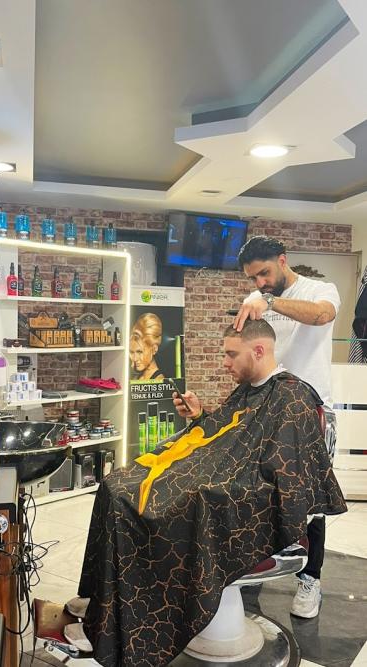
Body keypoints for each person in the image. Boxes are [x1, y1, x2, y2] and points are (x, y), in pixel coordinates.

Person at [63, 320, 346, 667]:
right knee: (115, 486)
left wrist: (208, 488)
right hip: (224, 480)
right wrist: (200, 416)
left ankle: (120, 625)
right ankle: (106, 603)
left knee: (143, 506)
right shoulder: (248, 389)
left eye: (231, 354)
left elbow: (285, 479)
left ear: (258, 351)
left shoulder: (293, 397)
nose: (225, 363)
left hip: (246, 504)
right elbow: (230, 435)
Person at [174, 235, 340, 620]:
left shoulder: (319, 291)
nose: (259, 283)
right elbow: (250, 351)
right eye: (253, 278)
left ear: (283, 260)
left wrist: (269, 302)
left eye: (264, 274)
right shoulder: (256, 299)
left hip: (308, 410)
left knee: (309, 501)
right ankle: (252, 572)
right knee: (253, 488)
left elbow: (321, 316)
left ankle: (310, 579)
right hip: (265, 406)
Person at [129, 312, 165, 381]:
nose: (135, 359)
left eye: (140, 352)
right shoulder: (137, 377)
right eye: (131, 352)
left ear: (154, 349)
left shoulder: (159, 380)